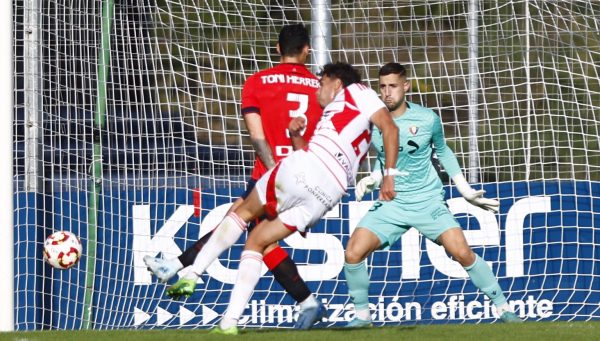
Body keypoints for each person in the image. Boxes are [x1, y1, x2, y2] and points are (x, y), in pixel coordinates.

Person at [143, 24, 325, 329]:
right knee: (245, 227)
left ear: (277, 49)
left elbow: (257, 136)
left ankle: (292, 304)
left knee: (252, 236)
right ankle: (174, 266)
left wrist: (271, 171)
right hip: (307, 173)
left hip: (271, 174)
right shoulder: (321, 88)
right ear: (307, 50)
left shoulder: (256, 81)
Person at [208, 62, 400, 335]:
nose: (317, 90)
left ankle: (190, 272)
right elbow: (312, 152)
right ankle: (230, 322)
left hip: (315, 179)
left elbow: (390, 128)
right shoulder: (332, 113)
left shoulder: (358, 92)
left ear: (336, 82)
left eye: (321, 83)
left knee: (243, 214)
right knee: (257, 239)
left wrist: (389, 175)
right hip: (323, 189)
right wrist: (296, 136)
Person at [343, 62, 522, 328]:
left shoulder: (427, 118)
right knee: (352, 253)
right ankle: (362, 318)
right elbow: (386, 159)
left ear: (406, 86)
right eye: (382, 87)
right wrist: (372, 178)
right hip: (393, 202)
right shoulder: (374, 122)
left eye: (393, 86)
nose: (387, 93)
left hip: (428, 200)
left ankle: (505, 309)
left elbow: (443, 151)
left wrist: (465, 189)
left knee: (462, 252)